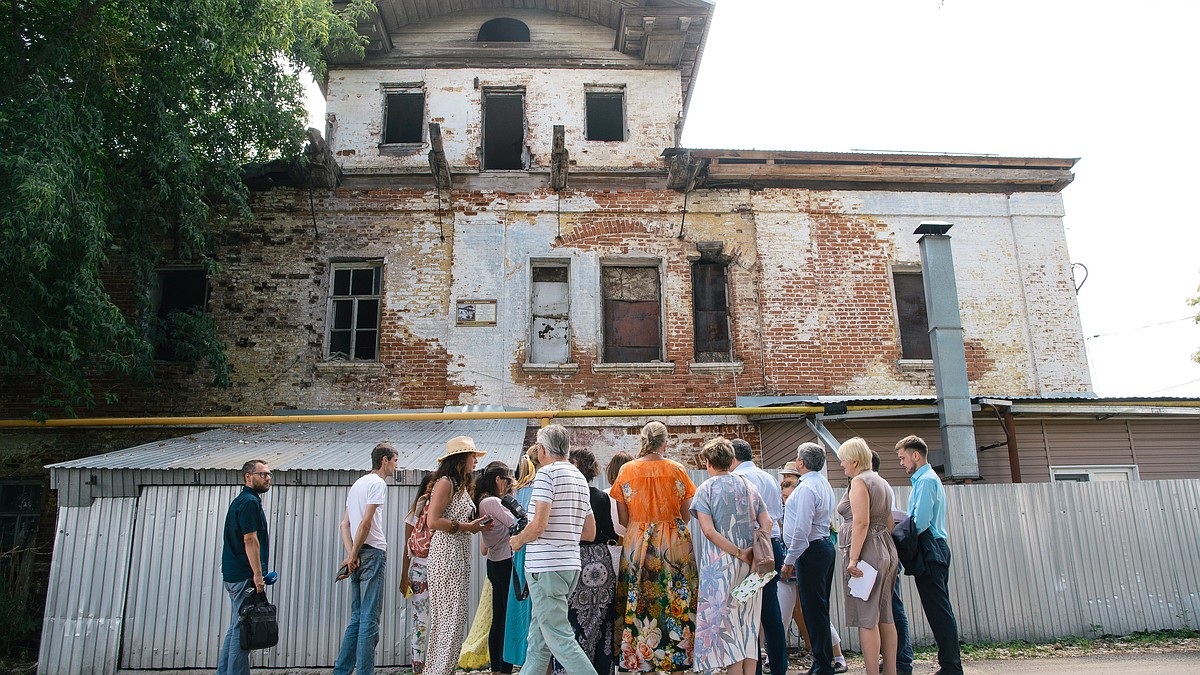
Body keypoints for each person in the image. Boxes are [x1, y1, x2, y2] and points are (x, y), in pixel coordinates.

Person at [510, 424, 599, 675]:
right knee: (538, 643)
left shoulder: (546, 474)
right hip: (569, 566)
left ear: (541, 449)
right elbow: (589, 532)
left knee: (560, 639)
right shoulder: (578, 477)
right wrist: (564, 530)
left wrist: (518, 540)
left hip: (546, 568)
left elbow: (538, 525)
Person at [610, 421, 697, 674]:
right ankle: (677, 661)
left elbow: (623, 517)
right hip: (673, 541)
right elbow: (686, 513)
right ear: (665, 442)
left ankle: (638, 659)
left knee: (638, 600)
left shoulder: (627, 470)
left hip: (637, 541)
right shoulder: (676, 469)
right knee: (675, 599)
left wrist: (642, 526)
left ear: (643, 441)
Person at [692, 437, 773, 675]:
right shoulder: (750, 487)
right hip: (753, 567)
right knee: (749, 622)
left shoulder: (705, 489)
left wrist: (738, 553)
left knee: (726, 624)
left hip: (721, 567)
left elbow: (708, 530)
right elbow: (767, 522)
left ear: (708, 462)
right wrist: (754, 550)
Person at [896, 435, 964, 675]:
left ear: (916, 455)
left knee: (938, 610)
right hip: (933, 547)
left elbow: (921, 522)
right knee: (939, 608)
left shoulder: (924, 480)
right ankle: (950, 664)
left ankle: (951, 667)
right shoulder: (924, 479)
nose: (901, 463)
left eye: (903, 458)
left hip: (930, 548)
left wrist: (899, 530)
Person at [424, 436, 490, 675]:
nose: (475, 460)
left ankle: (440, 669)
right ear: (462, 458)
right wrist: (466, 527)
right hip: (447, 554)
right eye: (472, 456)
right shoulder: (445, 483)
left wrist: (474, 525)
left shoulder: (459, 484)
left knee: (452, 618)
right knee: (450, 619)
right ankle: (439, 670)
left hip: (457, 554)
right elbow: (433, 521)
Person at [551, 447, 620, 675]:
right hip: (601, 561)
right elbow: (610, 533)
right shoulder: (601, 496)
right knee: (602, 622)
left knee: (571, 620)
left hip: (574, 561)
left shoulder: (564, 495)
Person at [778, 461, 849, 674]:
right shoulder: (819, 484)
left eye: (788, 482)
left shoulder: (806, 489)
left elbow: (801, 529)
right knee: (813, 610)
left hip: (808, 551)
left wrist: (789, 561)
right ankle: (822, 661)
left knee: (815, 610)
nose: (785, 487)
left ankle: (825, 663)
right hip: (814, 550)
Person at [835, 438, 899, 675]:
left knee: (867, 616)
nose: (841, 465)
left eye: (843, 460)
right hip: (885, 548)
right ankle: (890, 670)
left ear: (854, 460)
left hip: (867, 552)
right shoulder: (880, 481)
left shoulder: (860, 482)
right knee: (885, 613)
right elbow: (890, 521)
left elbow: (861, 522)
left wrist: (853, 559)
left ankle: (872, 671)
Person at [334, 443, 398, 675]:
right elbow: (365, 523)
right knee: (370, 620)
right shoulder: (378, 483)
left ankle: (341, 671)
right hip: (371, 553)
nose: (395, 465)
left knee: (357, 617)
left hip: (358, 554)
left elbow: (345, 524)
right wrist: (352, 556)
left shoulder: (357, 484)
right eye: (394, 461)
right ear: (384, 460)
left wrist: (351, 555)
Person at [730, 438, 787, 675]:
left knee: (747, 611)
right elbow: (777, 515)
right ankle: (779, 666)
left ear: (733, 458)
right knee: (771, 609)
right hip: (771, 545)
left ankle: (753, 669)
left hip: (751, 548)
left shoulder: (738, 480)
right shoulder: (769, 478)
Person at [217, 459, 271, 675]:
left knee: (236, 627)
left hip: (234, 574)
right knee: (244, 631)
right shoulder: (249, 502)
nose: (268, 478)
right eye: (263, 474)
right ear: (248, 477)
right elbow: (250, 540)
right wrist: (258, 575)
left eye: (269, 474)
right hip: (243, 576)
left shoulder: (241, 500)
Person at [872, 451, 914, 675]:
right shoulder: (880, 485)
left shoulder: (878, 486)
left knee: (893, 606)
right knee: (887, 607)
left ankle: (902, 659)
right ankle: (895, 657)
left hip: (882, 552)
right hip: (885, 552)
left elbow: (887, 521)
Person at [475, 461, 519, 675]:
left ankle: (498, 668)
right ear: (498, 480)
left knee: (500, 617)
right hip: (504, 563)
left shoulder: (483, 501)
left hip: (495, 562)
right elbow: (515, 522)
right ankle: (503, 668)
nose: (509, 485)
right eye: (507, 481)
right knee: (505, 618)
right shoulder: (492, 502)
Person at [502, 448, 540, 668]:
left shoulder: (518, 492)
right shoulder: (540, 490)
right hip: (537, 552)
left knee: (520, 603)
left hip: (519, 552)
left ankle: (521, 656)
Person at [400, 473, 435, 674]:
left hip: (435, 570)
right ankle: (418, 667)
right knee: (420, 621)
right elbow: (407, 549)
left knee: (438, 620)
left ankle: (433, 665)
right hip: (419, 570)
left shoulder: (438, 511)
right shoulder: (414, 515)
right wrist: (404, 576)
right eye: (430, 487)